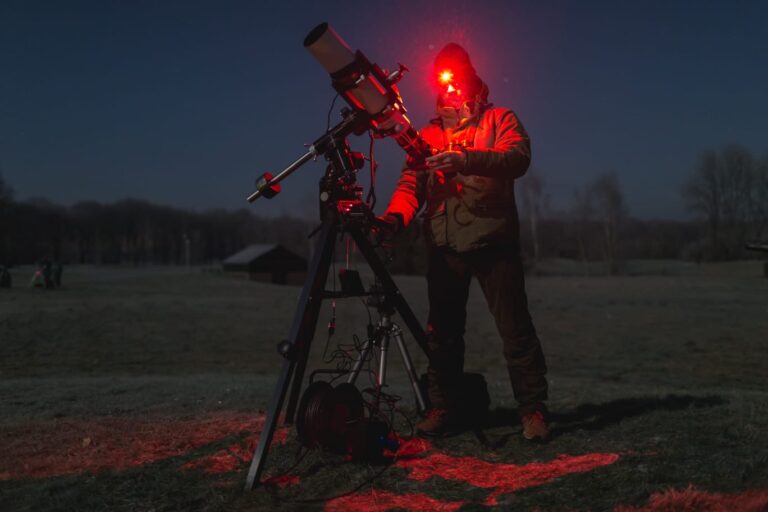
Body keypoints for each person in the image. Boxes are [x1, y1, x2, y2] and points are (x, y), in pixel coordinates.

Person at [378, 43, 550, 441]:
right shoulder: (428, 133)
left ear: (470, 78)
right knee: (442, 335)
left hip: (494, 244)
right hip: (444, 247)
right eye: (444, 78)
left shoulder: (500, 119)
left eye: (457, 77)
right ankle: (442, 407)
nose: (451, 87)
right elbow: (410, 185)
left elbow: (517, 158)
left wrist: (466, 159)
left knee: (516, 332)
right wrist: (395, 217)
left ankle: (534, 412)